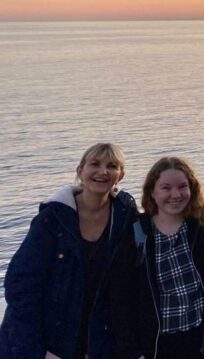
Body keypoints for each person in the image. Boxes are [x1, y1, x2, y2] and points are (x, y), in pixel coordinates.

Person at [0, 143, 138, 359]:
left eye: (112, 166)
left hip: (96, 337)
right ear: (80, 170)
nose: (103, 172)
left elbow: (138, 260)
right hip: (49, 335)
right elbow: (20, 285)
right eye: (95, 164)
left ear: (120, 175)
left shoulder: (125, 214)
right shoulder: (52, 219)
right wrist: (38, 350)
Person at [111, 156, 204, 359]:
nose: (176, 194)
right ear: (152, 192)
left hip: (202, 342)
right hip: (156, 346)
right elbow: (121, 298)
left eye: (183, 186)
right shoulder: (136, 233)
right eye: (166, 188)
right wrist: (131, 351)